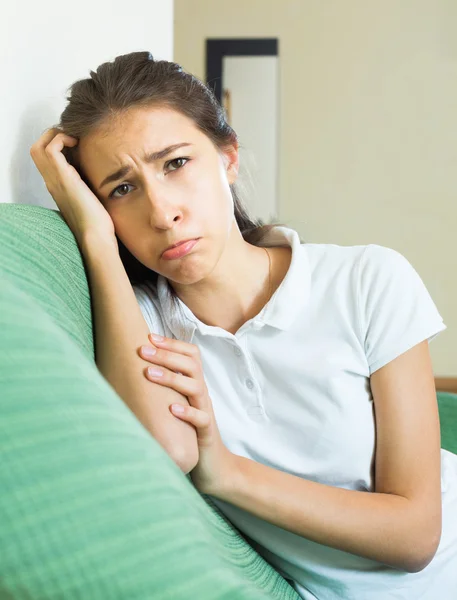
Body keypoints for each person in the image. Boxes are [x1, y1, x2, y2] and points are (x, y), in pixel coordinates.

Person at [30, 50, 457, 600]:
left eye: (176, 163)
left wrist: (225, 472)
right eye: (122, 189)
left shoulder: (368, 278)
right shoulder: (138, 321)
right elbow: (172, 451)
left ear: (228, 158)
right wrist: (94, 239)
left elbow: (415, 535)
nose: (162, 213)